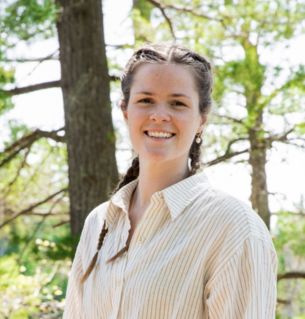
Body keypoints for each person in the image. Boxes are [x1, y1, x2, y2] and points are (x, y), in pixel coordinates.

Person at [63, 43, 277, 319]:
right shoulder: (99, 222)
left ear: (201, 119)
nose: (160, 115)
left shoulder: (234, 228)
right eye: (146, 100)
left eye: (177, 103)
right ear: (126, 112)